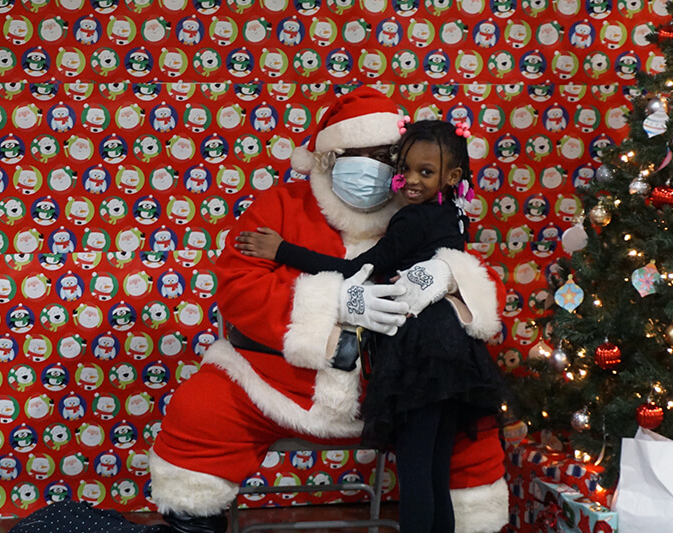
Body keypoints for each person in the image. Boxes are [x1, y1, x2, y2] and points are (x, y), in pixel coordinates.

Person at [149, 87, 509, 533]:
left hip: (393, 384)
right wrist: (336, 301)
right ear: (327, 158)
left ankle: (472, 524)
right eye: (359, 155)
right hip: (279, 379)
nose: (374, 166)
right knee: (202, 407)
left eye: (385, 155)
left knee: (470, 426)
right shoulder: (280, 204)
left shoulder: (421, 209)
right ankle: (192, 520)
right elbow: (238, 287)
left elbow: (486, 287)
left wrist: (450, 275)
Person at [234, 119, 513, 532]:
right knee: (436, 473)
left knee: (416, 476)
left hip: (420, 353)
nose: (411, 181)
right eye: (406, 169)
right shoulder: (453, 213)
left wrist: (283, 250)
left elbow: (359, 270)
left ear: (452, 176)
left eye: (425, 172)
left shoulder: (412, 219)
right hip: (454, 352)